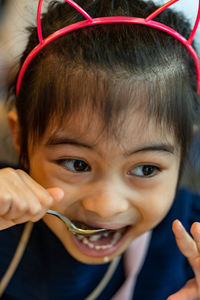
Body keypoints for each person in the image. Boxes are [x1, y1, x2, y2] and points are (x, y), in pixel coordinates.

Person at [0, 0, 200, 299]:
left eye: (146, 169)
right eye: (77, 164)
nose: (106, 206)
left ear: (184, 152)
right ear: (19, 135)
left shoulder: (190, 246)